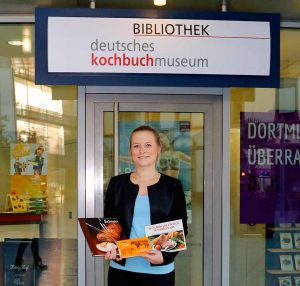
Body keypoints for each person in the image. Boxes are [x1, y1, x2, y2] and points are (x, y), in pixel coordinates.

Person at [104, 125, 188, 286]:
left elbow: (181, 227)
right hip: (121, 270)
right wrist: (110, 248)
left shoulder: (173, 186)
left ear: (158, 149)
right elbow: (110, 225)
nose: (142, 150)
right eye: (136, 146)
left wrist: (165, 257)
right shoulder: (117, 184)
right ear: (131, 151)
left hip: (159, 271)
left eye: (148, 145)